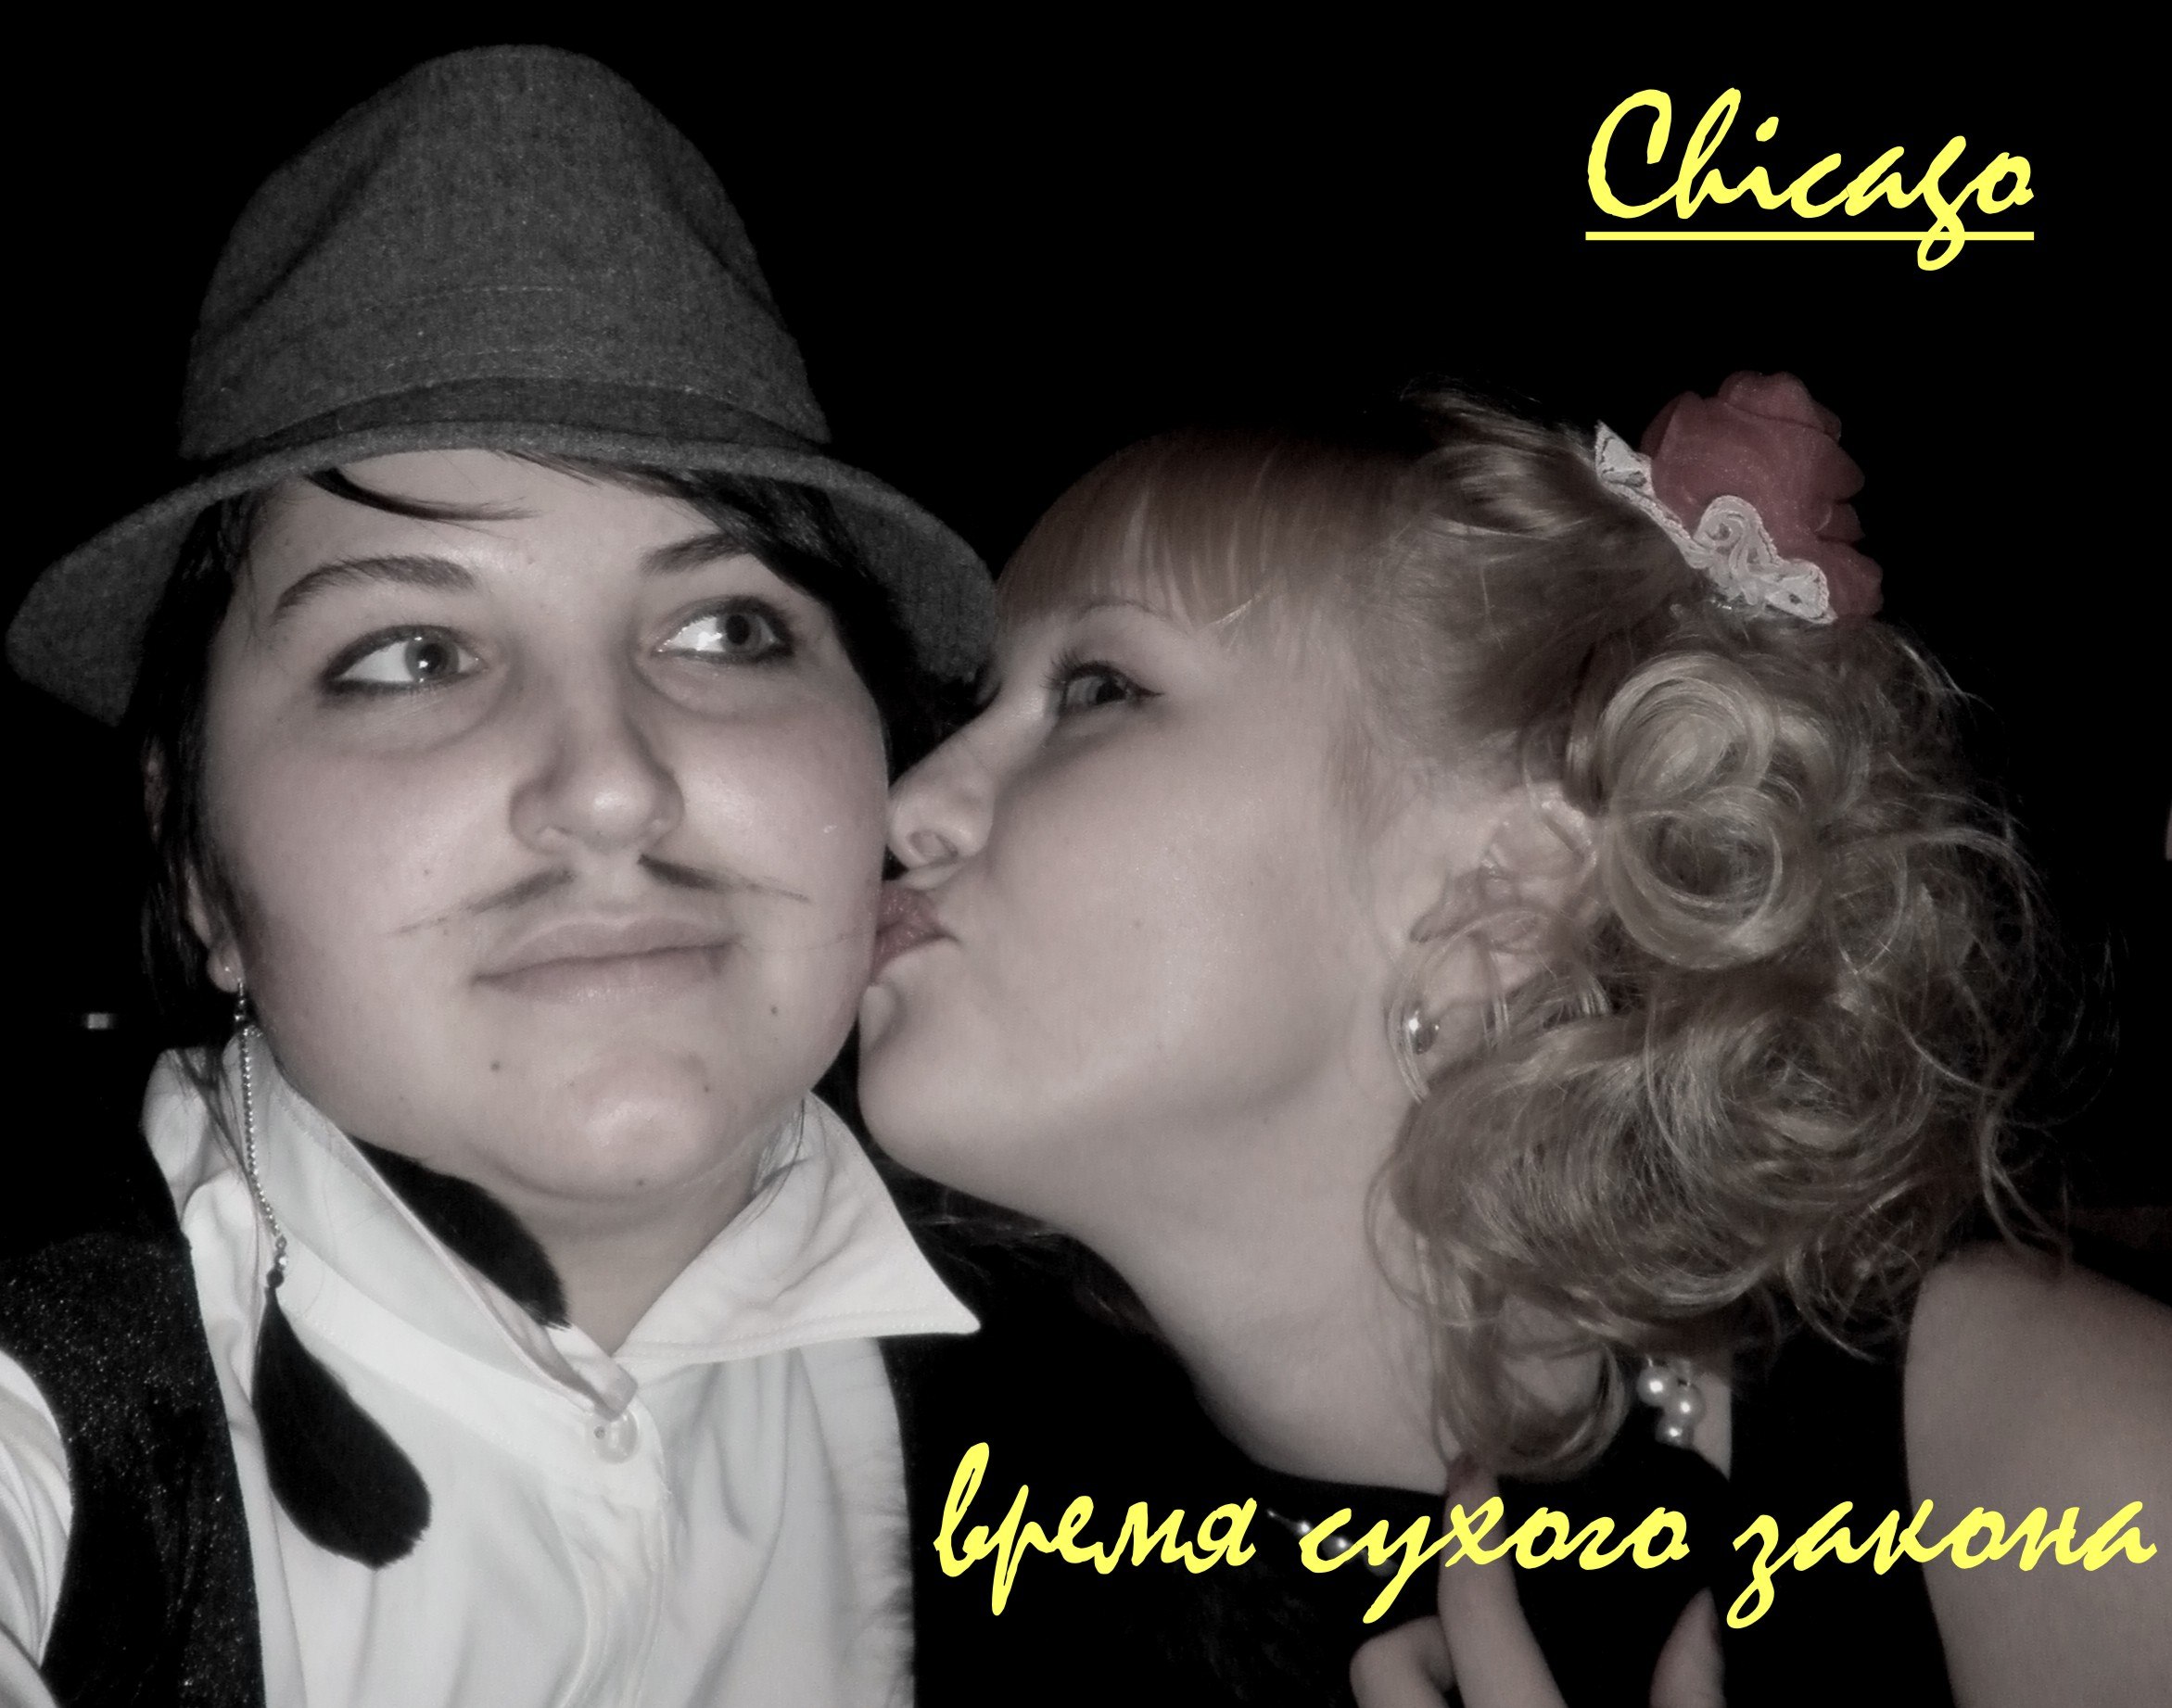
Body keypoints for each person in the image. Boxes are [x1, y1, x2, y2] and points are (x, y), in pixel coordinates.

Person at [856, 379, 2172, 1705]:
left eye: (1097, 689)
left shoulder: (2040, 1449)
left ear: (1507, 888)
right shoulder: (898, 1539)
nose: (909, 804)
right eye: (973, 706)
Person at [0, 46, 996, 1708]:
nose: (610, 783)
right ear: (196, 865)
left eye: (728, 629)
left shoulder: (1126, 1412)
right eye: (412, 655)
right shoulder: (48, 1411)